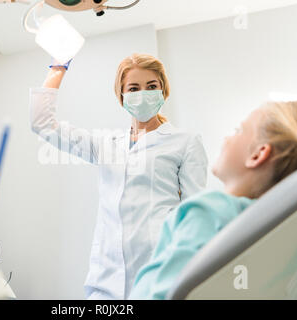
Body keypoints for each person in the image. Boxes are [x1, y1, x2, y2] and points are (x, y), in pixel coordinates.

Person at [29, 53, 208, 299]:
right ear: (122, 96)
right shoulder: (106, 144)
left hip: (159, 279)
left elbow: (194, 217)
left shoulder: (185, 142)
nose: (143, 93)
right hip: (105, 283)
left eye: (151, 86)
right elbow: (43, 124)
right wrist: (58, 67)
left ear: (163, 90)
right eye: (134, 88)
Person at [129, 101, 297, 299]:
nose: (227, 137)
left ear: (258, 154)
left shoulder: (209, 211)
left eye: (238, 130)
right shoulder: (296, 236)